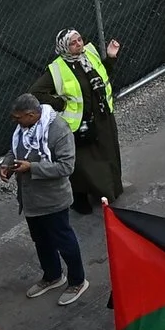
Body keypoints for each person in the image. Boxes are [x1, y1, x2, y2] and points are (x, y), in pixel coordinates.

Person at [2, 94, 85, 304]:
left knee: (64, 241)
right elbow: (16, 149)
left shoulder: (59, 130)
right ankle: (53, 276)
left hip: (53, 200)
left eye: (18, 118)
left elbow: (67, 166)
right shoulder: (24, 128)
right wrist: (7, 164)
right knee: (41, 241)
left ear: (31, 115)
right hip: (31, 200)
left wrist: (32, 168)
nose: (15, 122)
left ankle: (77, 281)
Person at [45, 30, 120, 214]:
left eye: (80, 40)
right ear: (64, 47)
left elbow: (101, 77)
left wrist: (110, 58)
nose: (79, 44)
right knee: (83, 164)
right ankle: (80, 198)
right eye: (73, 43)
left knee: (108, 154)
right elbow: (36, 92)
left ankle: (107, 190)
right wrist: (60, 103)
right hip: (81, 124)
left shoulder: (89, 54)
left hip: (102, 117)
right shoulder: (57, 68)